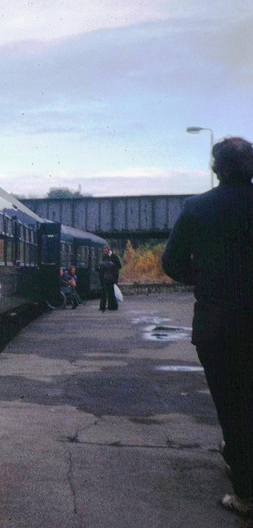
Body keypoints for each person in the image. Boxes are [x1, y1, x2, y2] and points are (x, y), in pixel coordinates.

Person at [161, 136, 253, 516]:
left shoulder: (197, 208)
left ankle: (245, 493)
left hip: (220, 325)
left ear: (216, 169)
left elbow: (171, 263)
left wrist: (205, 278)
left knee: (233, 406)